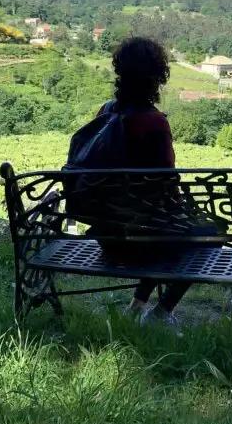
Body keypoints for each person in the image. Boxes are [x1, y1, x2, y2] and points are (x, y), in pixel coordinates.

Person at [73, 36, 203, 330]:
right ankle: (161, 312)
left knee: (154, 222)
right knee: (204, 236)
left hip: (108, 237)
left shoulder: (105, 113)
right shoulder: (154, 123)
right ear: (158, 76)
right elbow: (166, 187)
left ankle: (136, 306)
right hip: (144, 242)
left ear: (120, 71)